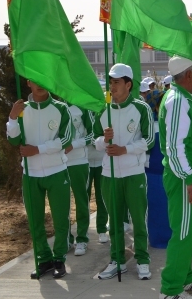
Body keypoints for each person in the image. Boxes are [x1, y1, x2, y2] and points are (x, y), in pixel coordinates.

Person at [93, 63, 155, 281]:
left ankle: (143, 260)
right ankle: (117, 260)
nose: (112, 86)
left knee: (138, 219)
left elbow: (149, 139)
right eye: (110, 82)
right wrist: (104, 141)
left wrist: (125, 149)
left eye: (117, 82)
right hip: (109, 174)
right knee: (115, 220)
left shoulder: (140, 108)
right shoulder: (104, 109)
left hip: (133, 172)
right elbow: (95, 140)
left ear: (128, 84)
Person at [158, 56, 192, 299]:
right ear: (188, 74)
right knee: (182, 233)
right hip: (183, 177)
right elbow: (174, 146)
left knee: (188, 231)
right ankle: (170, 290)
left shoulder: (184, 97)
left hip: (187, 174)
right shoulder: (178, 101)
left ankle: (186, 278)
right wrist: (189, 179)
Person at [7, 81, 72, 279]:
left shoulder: (60, 109)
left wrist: (38, 149)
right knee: (35, 222)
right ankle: (44, 260)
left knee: (61, 220)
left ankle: (59, 258)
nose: (40, 84)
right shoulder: (22, 109)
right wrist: (12, 117)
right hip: (31, 173)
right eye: (35, 79)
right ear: (28, 82)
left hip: (57, 171)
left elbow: (66, 139)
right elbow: (13, 140)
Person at [65, 104, 93, 256]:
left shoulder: (83, 107)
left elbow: (93, 134)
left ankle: (82, 239)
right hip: (60, 163)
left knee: (81, 200)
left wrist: (73, 145)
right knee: (63, 204)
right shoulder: (57, 106)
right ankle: (66, 239)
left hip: (79, 162)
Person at [86, 109, 109, 244]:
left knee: (102, 197)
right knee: (84, 198)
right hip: (85, 161)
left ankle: (101, 229)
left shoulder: (104, 114)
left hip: (101, 161)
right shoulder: (82, 111)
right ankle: (84, 232)